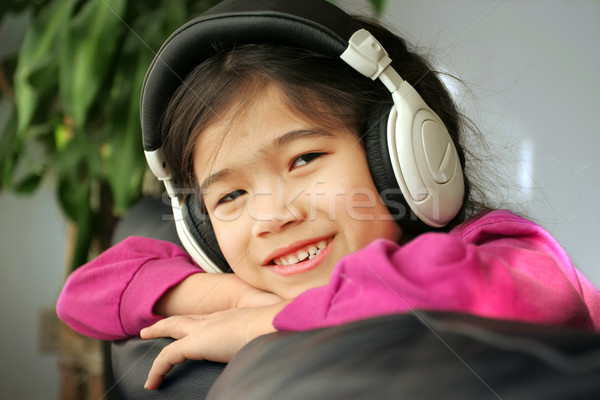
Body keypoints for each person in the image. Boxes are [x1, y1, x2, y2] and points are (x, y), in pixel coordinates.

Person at [56, 0, 600, 391]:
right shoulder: (245, 278)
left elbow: (456, 290)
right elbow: (84, 293)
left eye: (304, 159)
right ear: (199, 228)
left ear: (402, 152)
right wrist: (237, 299)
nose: (273, 215)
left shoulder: (508, 251)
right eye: (230, 196)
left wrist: (264, 323)